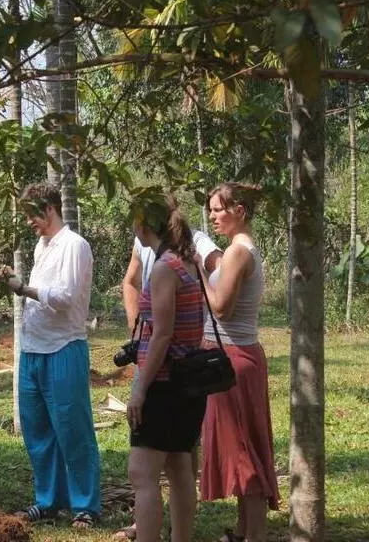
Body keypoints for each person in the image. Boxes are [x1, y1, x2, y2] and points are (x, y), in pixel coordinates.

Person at [1, 182, 101, 529]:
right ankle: (49, 500)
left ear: (49, 210)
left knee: (73, 430)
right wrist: (16, 281)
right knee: (38, 430)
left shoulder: (75, 246)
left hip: (63, 347)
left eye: (32, 214)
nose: (29, 222)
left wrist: (23, 288)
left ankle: (85, 505)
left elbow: (66, 297)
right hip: (33, 348)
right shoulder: (41, 245)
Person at [115, 226, 222, 541]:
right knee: (178, 466)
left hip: (164, 382)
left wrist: (140, 388)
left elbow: (162, 334)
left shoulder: (164, 267)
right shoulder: (187, 260)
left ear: (145, 224)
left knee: (142, 474)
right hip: (188, 383)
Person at [199, 183, 279, 542]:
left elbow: (220, 307)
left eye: (219, 209)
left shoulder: (237, 253)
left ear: (240, 211)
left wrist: (196, 269)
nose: (213, 216)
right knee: (245, 445)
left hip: (231, 360)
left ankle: (256, 535)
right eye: (212, 209)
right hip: (239, 357)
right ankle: (245, 531)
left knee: (241, 452)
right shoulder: (240, 250)